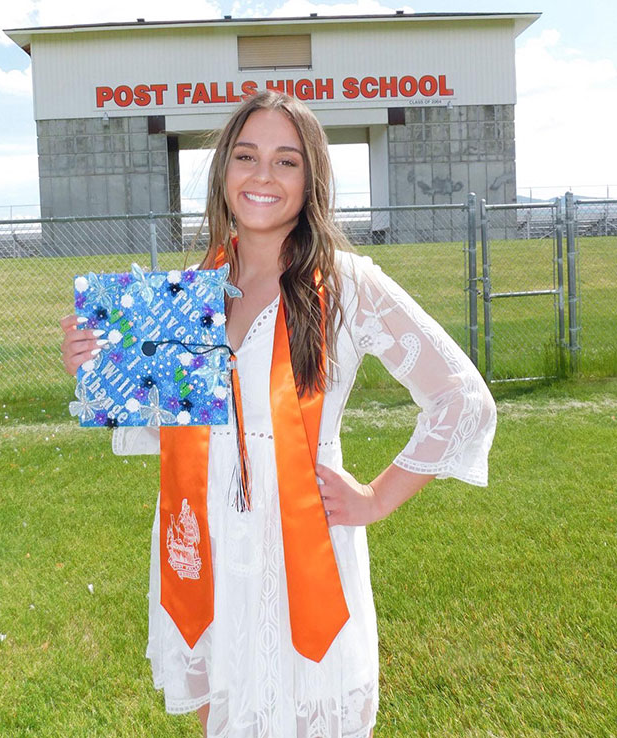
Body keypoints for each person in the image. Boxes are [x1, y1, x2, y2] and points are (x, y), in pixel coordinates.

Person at [60, 90, 496, 738]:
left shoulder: (348, 283)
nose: (262, 175)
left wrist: (378, 497)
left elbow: (462, 396)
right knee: (223, 712)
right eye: (246, 155)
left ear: (311, 178)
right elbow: (181, 426)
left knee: (305, 711)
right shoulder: (188, 291)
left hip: (298, 541)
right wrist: (94, 371)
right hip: (203, 536)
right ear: (223, 173)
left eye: (286, 161)